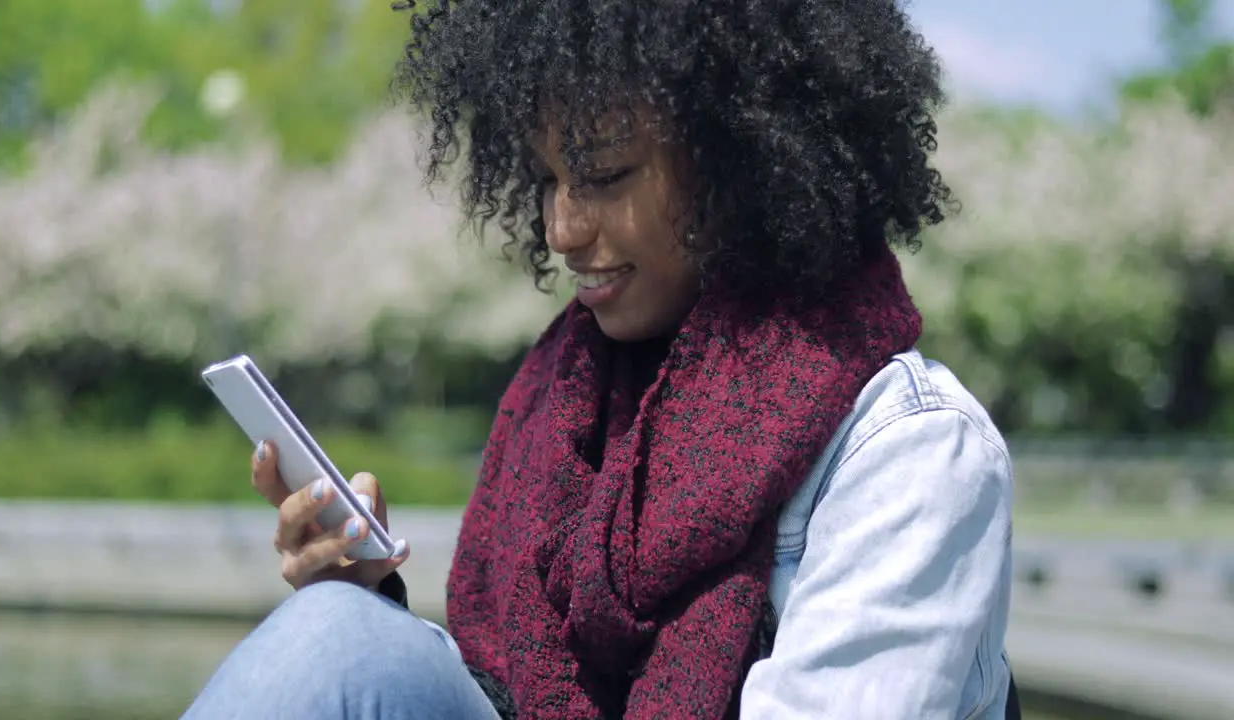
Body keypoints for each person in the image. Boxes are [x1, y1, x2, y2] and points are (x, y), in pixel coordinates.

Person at [183, 0, 1019, 718]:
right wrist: (371, 603)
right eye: (546, 180)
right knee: (340, 638)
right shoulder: (560, 410)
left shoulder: (911, 453)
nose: (561, 230)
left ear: (745, 156)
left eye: (606, 176)